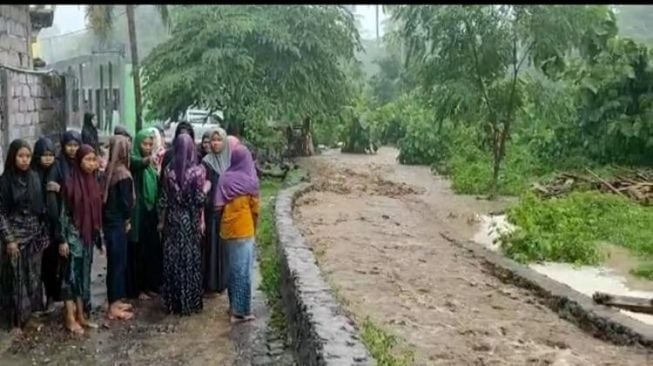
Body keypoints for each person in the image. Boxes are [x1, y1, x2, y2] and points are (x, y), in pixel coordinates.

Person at [0, 140, 50, 333]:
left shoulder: (35, 177)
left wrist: (43, 232)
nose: (24, 160)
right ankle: (15, 321)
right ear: (13, 156)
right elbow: (1, 212)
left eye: (28, 156)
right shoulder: (5, 181)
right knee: (15, 279)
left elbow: (40, 207)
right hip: (14, 235)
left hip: (34, 234)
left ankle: (30, 316)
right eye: (20, 156)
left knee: (33, 277)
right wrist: (9, 239)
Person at [158, 134, 210, 315]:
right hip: (188, 221)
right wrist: (206, 188)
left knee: (173, 261)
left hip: (172, 220)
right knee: (189, 260)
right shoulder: (196, 171)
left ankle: (174, 303)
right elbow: (197, 200)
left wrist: (161, 221)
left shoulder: (168, 171)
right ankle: (189, 302)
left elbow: (163, 199)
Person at [56, 144, 104, 334]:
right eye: (88, 159)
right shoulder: (70, 184)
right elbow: (63, 215)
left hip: (87, 237)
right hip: (72, 238)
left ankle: (81, 316)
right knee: (70, 277)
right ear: (79, 161)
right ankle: (69, 318)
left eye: (94, 159)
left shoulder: (93, 182)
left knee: (83, 276)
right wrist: (63, 240)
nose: (92, 163)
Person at [216, 144, 260, 323]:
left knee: (232, 270)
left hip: (227, 231)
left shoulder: (224, 178)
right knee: (243, 272)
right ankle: (241, 313)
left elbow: (217, 205)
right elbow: (255, 210)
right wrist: (254, 228)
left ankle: (233, 306)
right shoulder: (251, 181)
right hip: (244, 229)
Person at [45, 131, 82, 310]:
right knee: (58, 262)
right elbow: (52, 198)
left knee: (75, 262)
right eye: (69, 145)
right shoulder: (58, 166)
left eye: (76, 145)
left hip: (78, 221)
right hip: (60, 220)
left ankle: (76, 300)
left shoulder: (81, 164)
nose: (73, 149)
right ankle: (56, 298)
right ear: (63, 146)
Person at [103, 135, 135, 320]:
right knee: (117, 263)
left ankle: (115, 300)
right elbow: (126, 203)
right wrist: (128, 218)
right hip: (117, 224)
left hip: (110, 222)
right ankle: (113, 307)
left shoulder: (110, 170)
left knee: (115, 262)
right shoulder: (122, 174)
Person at [128, 128, 163, 300]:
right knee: (139, 252)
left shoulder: (151, 166)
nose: (148, 147)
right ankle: (139, 289)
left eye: (150, 144)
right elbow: (136, 163)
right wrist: (148, 159)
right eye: (145, 144)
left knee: (151, 250)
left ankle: (150, 285)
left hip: (150, 212)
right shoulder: (134, 161)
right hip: (138, 214)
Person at [201, 128, 230, 296]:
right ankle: (211, 283)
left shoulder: (230, 161)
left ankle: (224, 282)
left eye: (219, 140)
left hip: (228, 210)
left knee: (225, 247)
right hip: (211, 210)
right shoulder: (206, 162)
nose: (215, 143)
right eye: (213, 140)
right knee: (212, 246)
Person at [31, 137, 60, 313]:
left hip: (53, 226)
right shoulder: (33, 173)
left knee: (51, 264)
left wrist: (59, 189)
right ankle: (36, 302)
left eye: (50, 155)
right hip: (36, 227)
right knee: (36, 267)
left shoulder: (57, 171)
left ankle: (51, 297)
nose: (48, 158)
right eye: (44, 155)